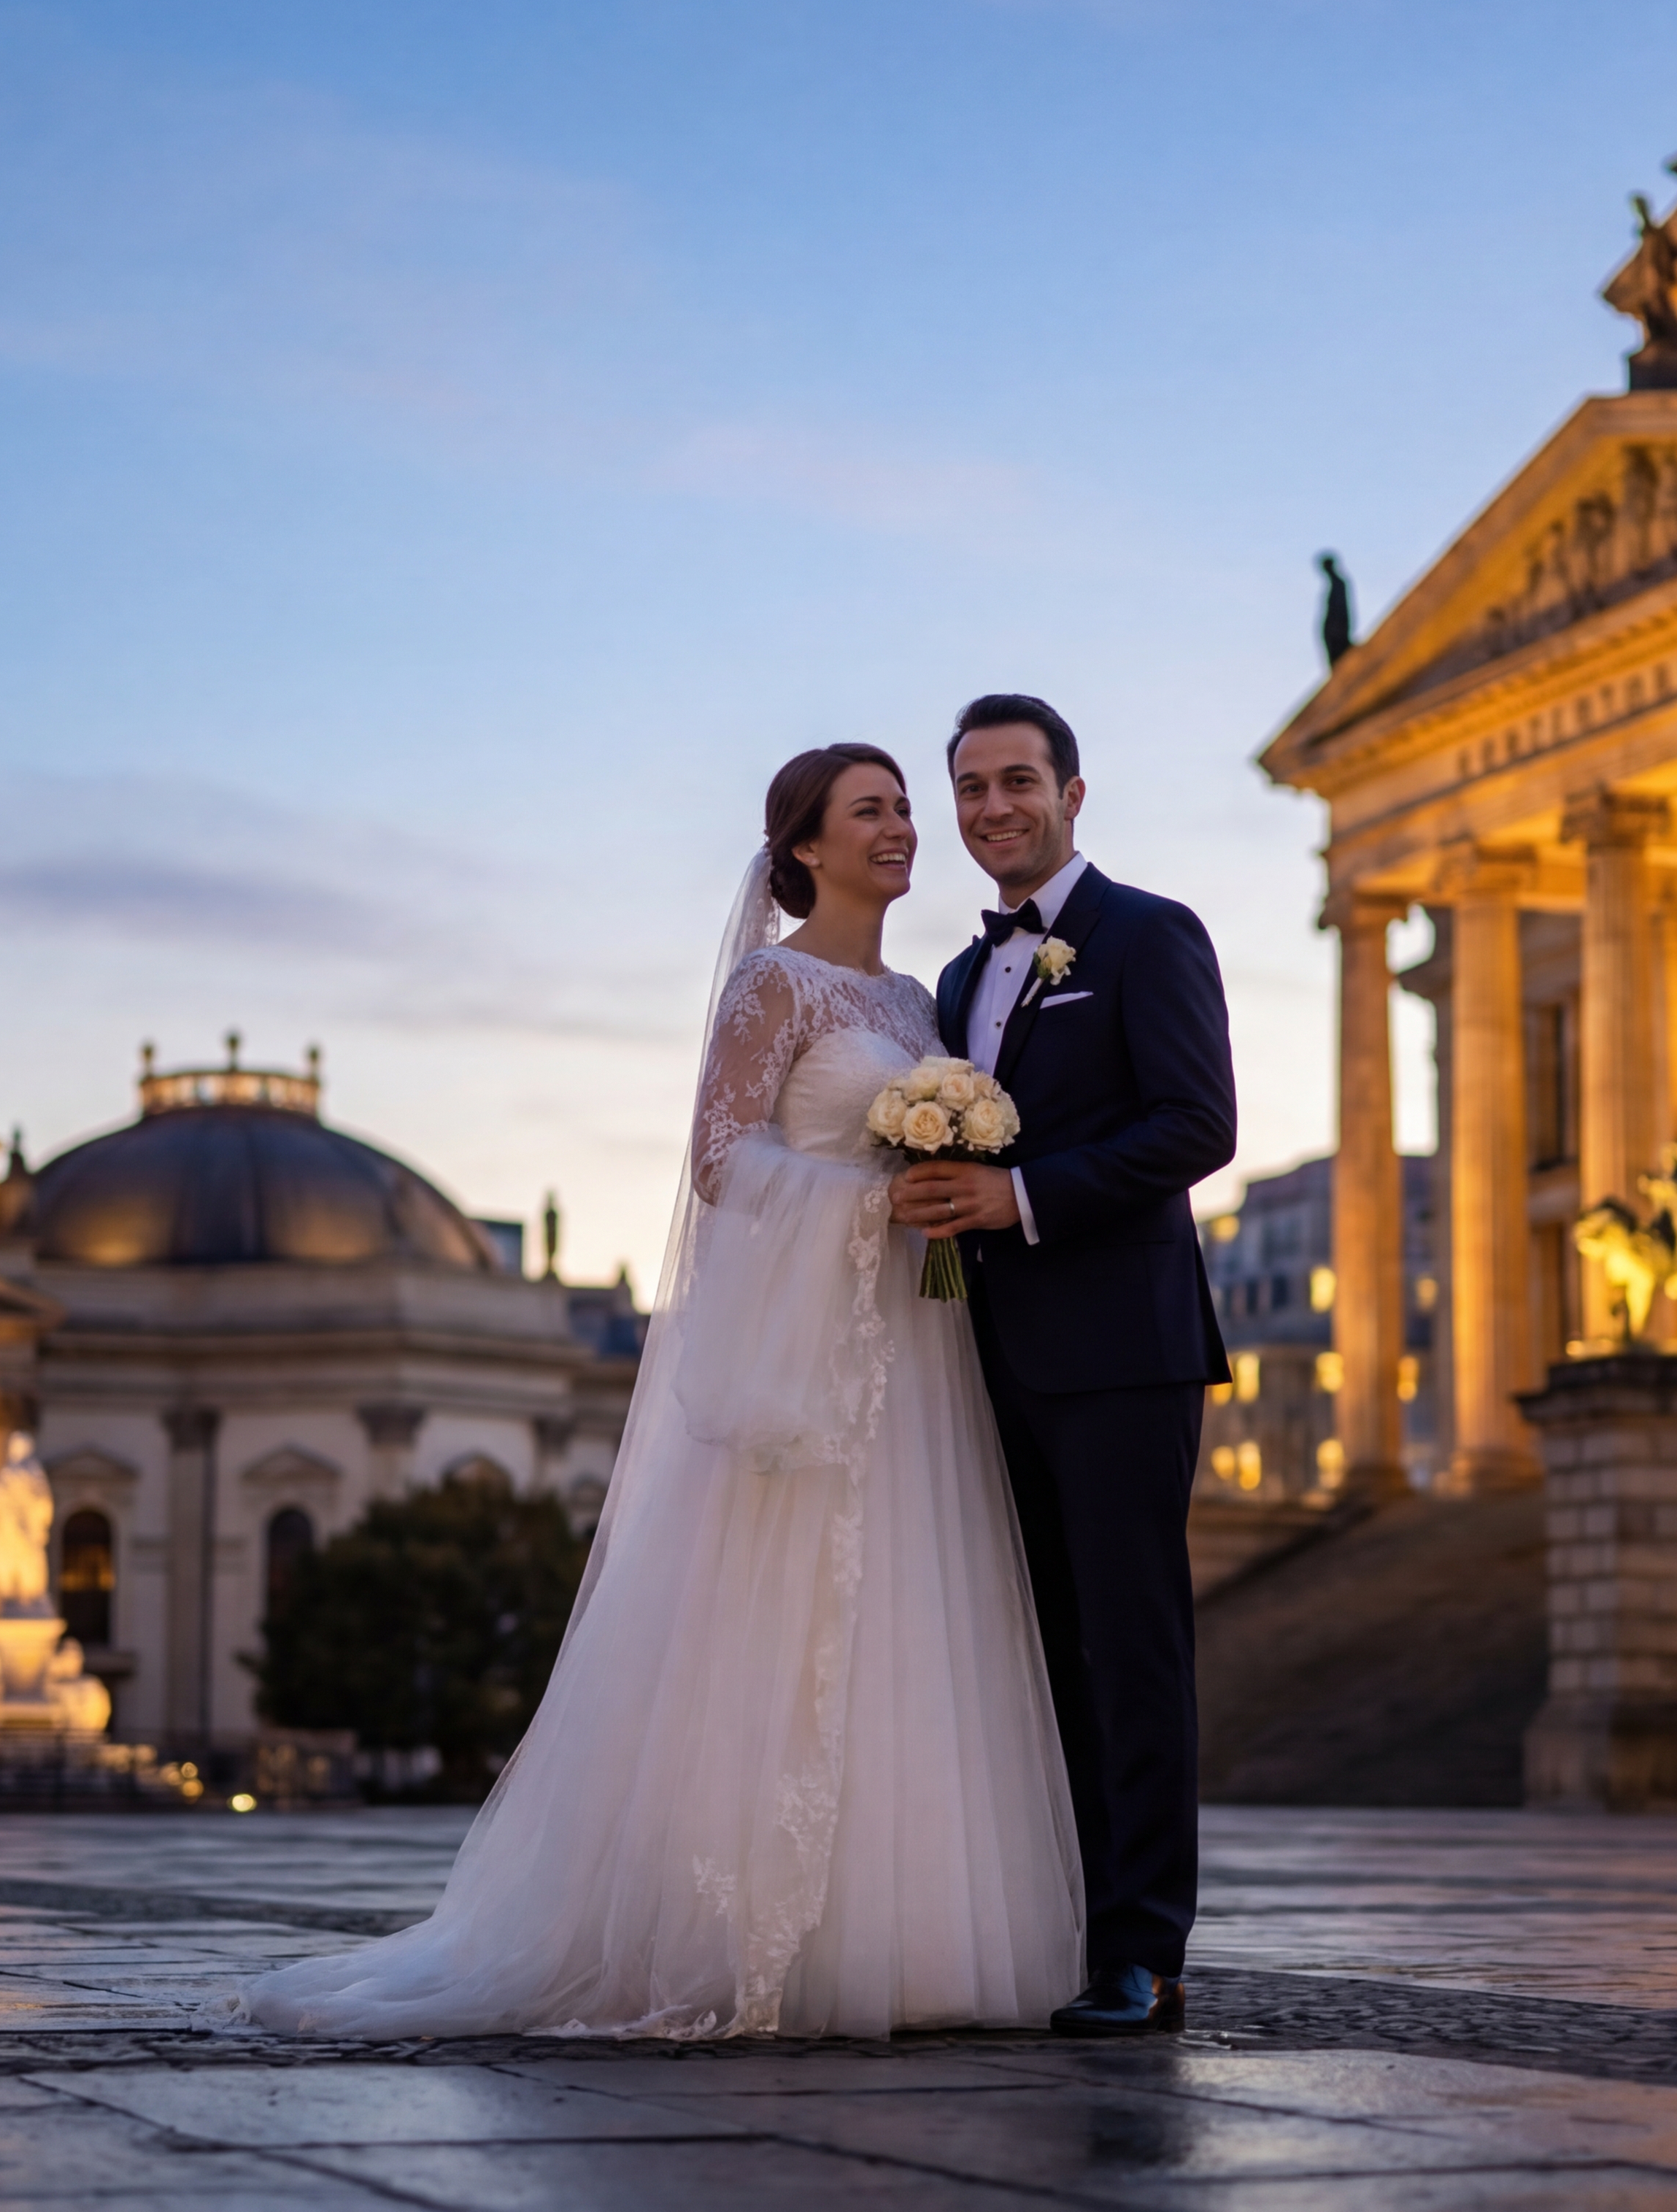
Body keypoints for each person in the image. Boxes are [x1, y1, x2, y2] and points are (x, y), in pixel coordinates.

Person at [228, 744, 1081, 2039]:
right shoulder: (771, 984)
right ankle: (735, 1930)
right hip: (807, 1353)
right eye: (874, 810)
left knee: (915, 1612)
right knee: (776, 1620)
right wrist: (869, 1200)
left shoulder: (924, 999)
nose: (904, 827)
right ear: (804, 847)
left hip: (917, 1354)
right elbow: (720, 1159)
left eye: (909, 806)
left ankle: (914, 1934)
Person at [903, 693, 1235, 2036]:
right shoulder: (953, 978)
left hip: (1121, 1353)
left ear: (1074, 793)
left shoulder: (1150, 934)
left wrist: (1019, 1200)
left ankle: (1144, 1950)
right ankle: (1066, 1930)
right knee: (1038, 1656)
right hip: (987, 1358)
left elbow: (1195, 1125)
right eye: (971, 789)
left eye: (1017, 782)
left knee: (1131, 1651)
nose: (994, 809)